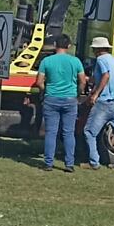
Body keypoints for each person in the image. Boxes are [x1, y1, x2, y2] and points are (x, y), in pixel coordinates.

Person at [34, 34, 87, 173]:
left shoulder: (47, 61)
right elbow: (83, 81)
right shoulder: (75, 61)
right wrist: (77, 93)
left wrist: (46, 90)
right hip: (70, 99)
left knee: (51, 132)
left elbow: (39, 82)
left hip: (51, 98)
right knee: (68, 132)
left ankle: (48, 163)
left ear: (55, 45)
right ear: (69, 46)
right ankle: (69, 164)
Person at [83, 37, 114, 171]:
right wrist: (89, 79)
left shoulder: (100, 60)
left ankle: (93, 162)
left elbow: (106, 76)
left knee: (89, 132)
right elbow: (104, 77)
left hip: (104, 102)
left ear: (97, 49)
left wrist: (95, 94)